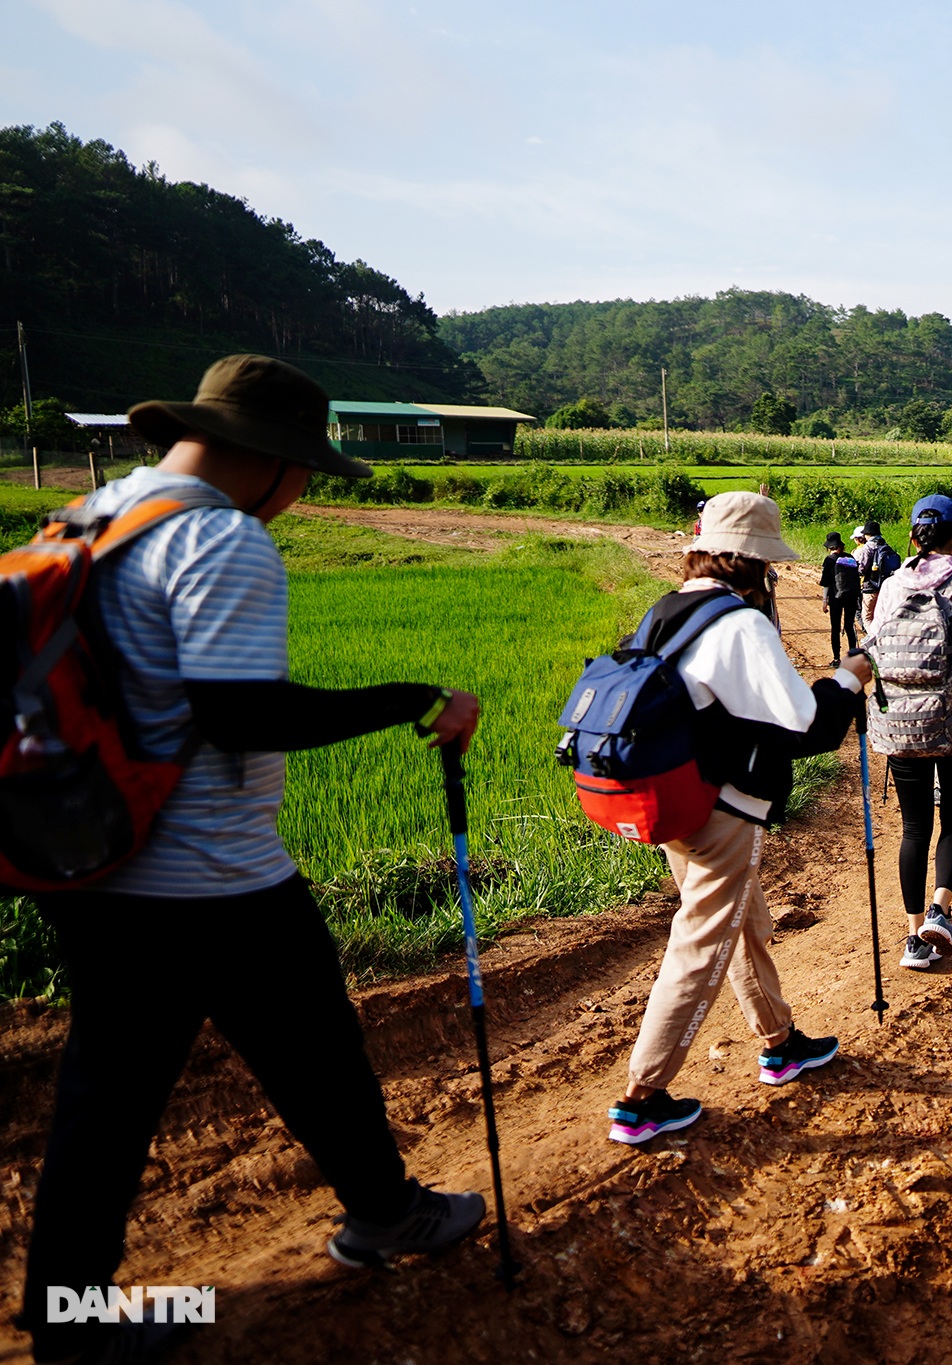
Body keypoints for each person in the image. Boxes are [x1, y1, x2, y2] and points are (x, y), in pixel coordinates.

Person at [18, 355, 488, 1363]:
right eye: (306, 470)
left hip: (93, 863)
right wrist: (412, 698)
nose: (304, 491)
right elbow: (239, 716)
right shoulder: (220, 539)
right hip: (209, 875)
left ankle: (66, 1318)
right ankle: (384, 1217)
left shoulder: (91, 518)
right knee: (313, 1051)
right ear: (269, 459)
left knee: (110, 1094)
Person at [607, 492, 870, 1145]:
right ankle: (642, 1096)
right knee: (702, 935)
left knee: (743, 920)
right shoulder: (740, 623)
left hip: (670, 796)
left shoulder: (666, 610)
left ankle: (780, 1042)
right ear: (755, 561)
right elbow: (803, 724)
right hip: (721, 805)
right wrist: (848, 677)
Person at [864, 495, 952, 971]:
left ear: (912, 537)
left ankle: (912, 941)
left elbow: (875, 639)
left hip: (900, 726)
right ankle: (940, 911)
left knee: (913, 828)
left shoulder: (890, 585)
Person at [817, 530, 863, 662]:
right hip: (851, 597)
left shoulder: (829, 560)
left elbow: (825, 583)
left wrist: (824, 601)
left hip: (835, 597)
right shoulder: (850, 557)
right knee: (849, 625)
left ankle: (836, 658)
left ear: (829, 547)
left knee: (835, 627)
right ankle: (853, 657)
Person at [853, 519, 899, 628]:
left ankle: (874, 641)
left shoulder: (868, 547)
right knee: (881, 616)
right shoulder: (886, 545)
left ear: (866, 534)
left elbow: (862, 569)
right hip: (886, 586)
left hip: (871, 586)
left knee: (867, 617)